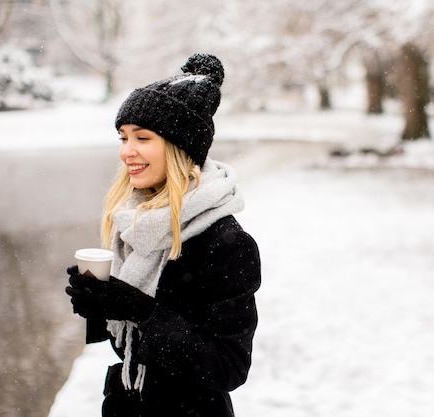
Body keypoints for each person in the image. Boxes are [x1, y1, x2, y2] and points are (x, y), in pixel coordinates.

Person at [64, 53, 261, 417]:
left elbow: (228, 366)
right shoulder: (135, 222)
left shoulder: (225, 243)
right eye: (123, 137)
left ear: (179, 146)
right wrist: (101, 304)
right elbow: (130, 347)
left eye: (142, 137)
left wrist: (140, 309)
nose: (127, 151)